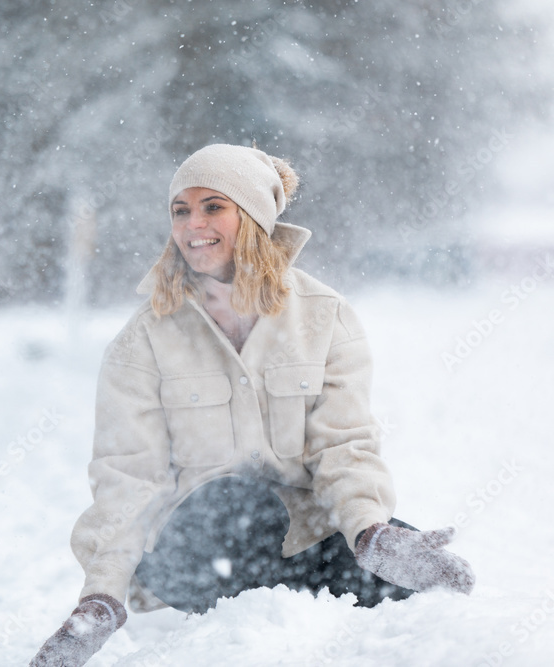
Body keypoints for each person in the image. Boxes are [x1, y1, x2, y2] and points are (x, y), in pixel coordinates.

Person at [30, 144, 475, 667]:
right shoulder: (143, 340)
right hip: (191, 549)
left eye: (213, 206)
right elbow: (127, 476)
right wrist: (100, 600)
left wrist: (373, 533)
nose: (193, 223)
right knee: (242, 501)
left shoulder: (324, 317)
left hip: (297, 539)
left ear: (254, 216)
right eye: (181, 209)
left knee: (409, 584)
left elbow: (345, 444)